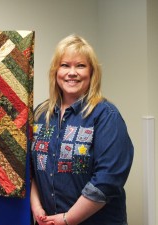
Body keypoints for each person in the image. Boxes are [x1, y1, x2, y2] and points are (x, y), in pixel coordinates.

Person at [30, 34, 134, 225]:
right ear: (55, 71)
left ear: (92, 72)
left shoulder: (106, 116)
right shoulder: (40, 114)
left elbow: (107, 180)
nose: (72, 72)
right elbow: (32, 171)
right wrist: (38, 211)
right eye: (65, 65)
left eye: (80, 65)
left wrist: (67, 219)